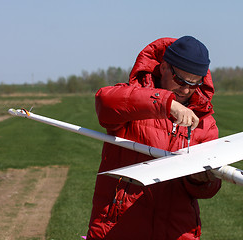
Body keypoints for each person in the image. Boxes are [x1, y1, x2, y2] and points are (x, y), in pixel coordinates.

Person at [86, 36, 221, 240]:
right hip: (119, 229)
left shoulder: (205, 121)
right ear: (164, 67)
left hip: (177, 231)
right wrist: (165, 103)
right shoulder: (132, 99)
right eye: (180, 80)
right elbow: (105, 102)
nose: (185, 90)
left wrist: (202, 181)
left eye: (194, 84)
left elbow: (206, 191)